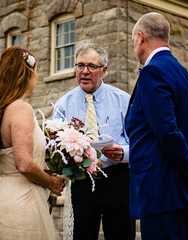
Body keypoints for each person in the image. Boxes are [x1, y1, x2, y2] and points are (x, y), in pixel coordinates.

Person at [125, 12, 188, 240]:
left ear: (141, 37)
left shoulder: (152, 72)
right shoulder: (186, 77)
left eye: (133, 39)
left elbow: (167, 132)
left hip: (160, 192)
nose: (134, 45)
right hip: (183, 193)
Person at [0, 46, 66, 240]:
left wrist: (43, 171)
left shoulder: (1, 110)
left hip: (2, 196)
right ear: (26, 73)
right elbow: (23, 163)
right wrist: (51, 182)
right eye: (36, 70)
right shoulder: (21, 109)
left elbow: (14, 159)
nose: (37, 76)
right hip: (21, 203)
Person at [54, 42, 134, 240]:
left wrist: (123, 153)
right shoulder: (63, 105)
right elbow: (53, 147)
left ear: (104, 70)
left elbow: (141, 143)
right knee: (82, 235)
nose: (85, 71)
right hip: (82, 182)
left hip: (118, 180)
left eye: (91, 66)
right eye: (80, 66)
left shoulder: (123, 100)